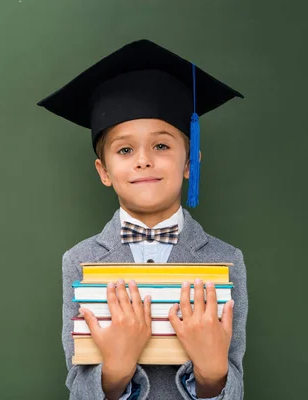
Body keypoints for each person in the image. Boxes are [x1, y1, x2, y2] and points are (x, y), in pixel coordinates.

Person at [37, 39, 248, 399]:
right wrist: (116, 369)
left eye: (162, 146)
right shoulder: (80, 260)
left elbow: (234, 383)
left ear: (189, 162)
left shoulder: (227, 260)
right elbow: (78, 389)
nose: (143, 160)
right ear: (104, 171)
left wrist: (213, 374)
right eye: (124, 150)